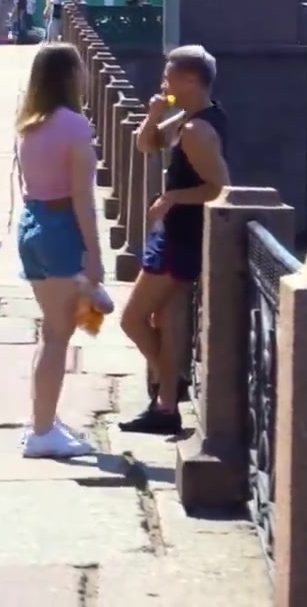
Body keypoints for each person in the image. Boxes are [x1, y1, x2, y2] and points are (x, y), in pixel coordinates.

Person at [119, 46, 230, 435]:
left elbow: (221, 188)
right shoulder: (189, 119)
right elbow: (146, 144)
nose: (163, 84)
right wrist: (153, 114)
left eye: (168, 78)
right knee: (165, 319)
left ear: (190, 80)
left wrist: (172, 198)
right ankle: (166, 406)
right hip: (175, 235)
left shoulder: (199, 131)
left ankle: (172, 380)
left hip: (181, 238)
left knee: (132, 319)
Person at [14, 43, 104, 458]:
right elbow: (82, 197)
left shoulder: (28, 124)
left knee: (51, 331)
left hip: (32, 226)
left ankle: (42, 419)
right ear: (69, 76)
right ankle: (43, 433)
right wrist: (94, 254)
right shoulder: (74, 126)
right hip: (61, 227)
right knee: (57, 336)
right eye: (79, 69)